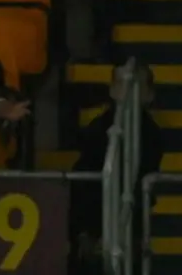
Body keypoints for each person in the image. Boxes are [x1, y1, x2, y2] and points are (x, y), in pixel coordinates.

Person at [68, 61, 163, 275]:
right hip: (92, 221)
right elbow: (83, 184)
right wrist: (84, 232)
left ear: (149, 94)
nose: (128, 90)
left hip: (131, 224)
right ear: (112, 90)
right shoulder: (95, 131)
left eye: (136, 84)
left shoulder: (153, 136)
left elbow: (140, 185)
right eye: (121, 84)